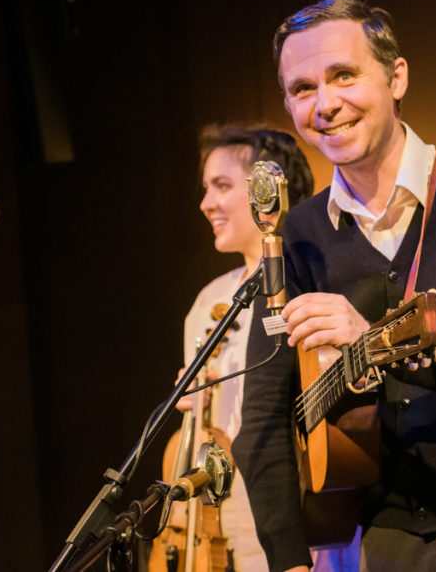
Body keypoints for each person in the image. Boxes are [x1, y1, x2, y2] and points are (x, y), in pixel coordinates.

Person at [231, 0, 436, 572]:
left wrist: (376, 343)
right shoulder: (297, 236)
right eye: (302, 88)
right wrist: (288, 560)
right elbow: (260, 420)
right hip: (385, 541)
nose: (326, 103)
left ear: (396, 77)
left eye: (343, 75)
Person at [178, 124, 314, 570]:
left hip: (306, 516)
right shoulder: (207, 303)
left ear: (268, 192)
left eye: (221, 186)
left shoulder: (312, 281)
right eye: (205, 188)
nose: (205, 204)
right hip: (223, 526)